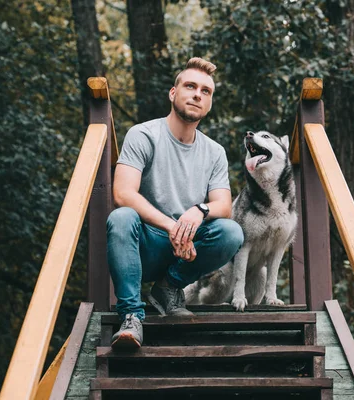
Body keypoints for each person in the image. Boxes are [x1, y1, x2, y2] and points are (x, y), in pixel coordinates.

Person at [106, 57, 244, 349]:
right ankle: (131, 316)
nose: (197, 94)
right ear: (173, 93)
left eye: (206, 91)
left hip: (187, 252)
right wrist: (173, 226)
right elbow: (123, 193)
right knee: (121, 217)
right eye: (190, 86)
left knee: (231, 231)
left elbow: (223, 205)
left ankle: (168, 288)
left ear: (209, 103)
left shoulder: (214, 152)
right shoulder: (143, 134)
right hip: (146, 246)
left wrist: (199, 210)